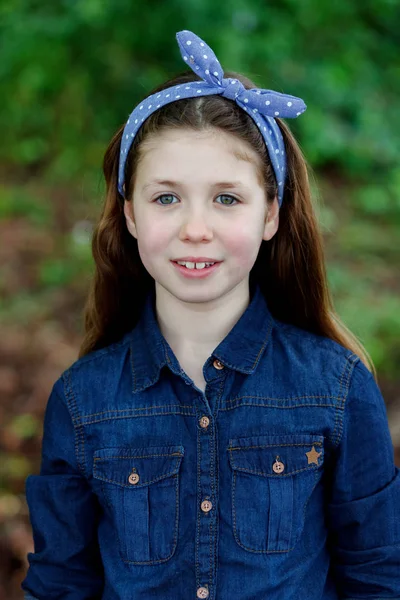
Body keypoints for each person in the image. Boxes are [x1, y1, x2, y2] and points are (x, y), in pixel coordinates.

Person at [21, 30, 400, 600]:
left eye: (227, 198)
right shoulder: (82, 401)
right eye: (166, 197)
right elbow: (61, 584)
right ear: (129, 214)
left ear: (270, 214)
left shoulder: (338, 388)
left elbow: (379, 576)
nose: (195, 228)